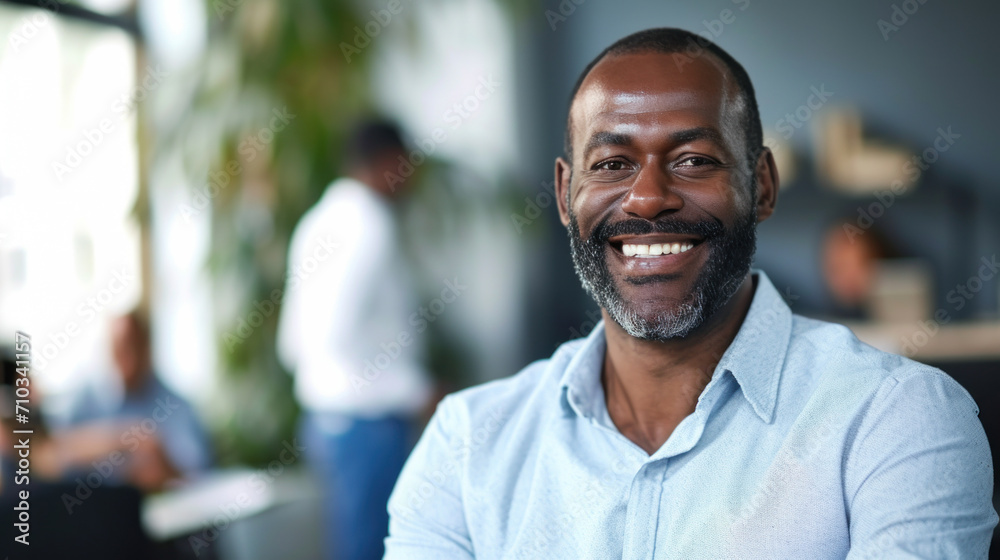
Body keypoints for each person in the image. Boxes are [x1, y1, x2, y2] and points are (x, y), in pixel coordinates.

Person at [384, 28, 996, 559]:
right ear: (566, 193)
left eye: (695, 159)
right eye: (611, 164)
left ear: (760, 186)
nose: (648, 197)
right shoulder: (466, 445)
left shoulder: (896, 423)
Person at [277, 120, 432, 560]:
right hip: (368, 423)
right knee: (373, 548)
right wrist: (414, 390)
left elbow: (293, 344)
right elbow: (331, 335)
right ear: (389, 163)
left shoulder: (317, 222)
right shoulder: (369, 225)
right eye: (408, 164)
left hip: (326, 418)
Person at [60, 311, 212, 489]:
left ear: (147, 347)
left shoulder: (176, 406)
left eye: (134, 348)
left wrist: (166, 468)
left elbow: (199, 473)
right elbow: (53, 456)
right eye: (119, 349)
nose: (128, 360)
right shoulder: (85, 401)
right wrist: (122, 439)